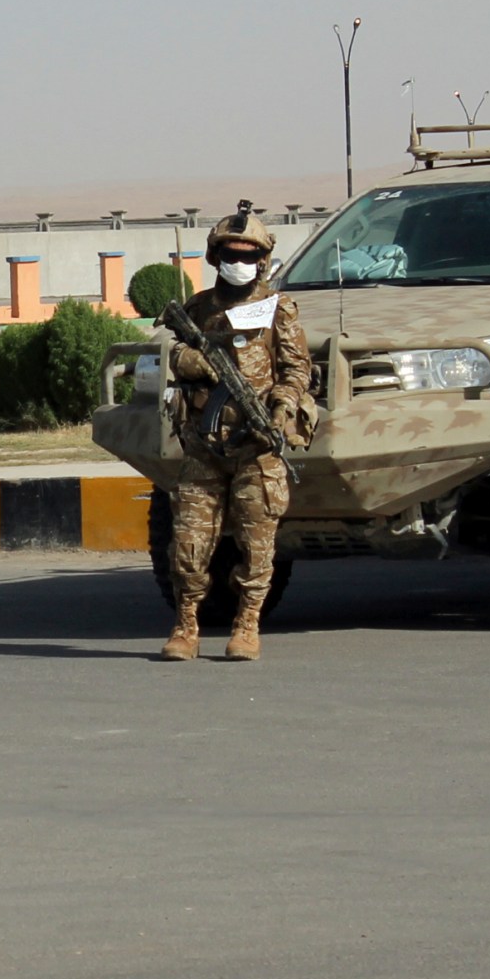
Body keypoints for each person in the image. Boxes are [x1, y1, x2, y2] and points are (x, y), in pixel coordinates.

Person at [160, 203, 315, 663]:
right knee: (188, 544)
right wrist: (195, 362)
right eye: (231, 253)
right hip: (204, 446)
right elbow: (177, 357)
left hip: (256, 445)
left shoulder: (277, 309)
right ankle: (186, 625)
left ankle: (247, 625)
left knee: (256, 542)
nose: (239, 262)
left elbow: (297, 368)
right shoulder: (198, 309)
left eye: (249, 255)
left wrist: (283, 405)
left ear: (263, 260)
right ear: (215, 256)